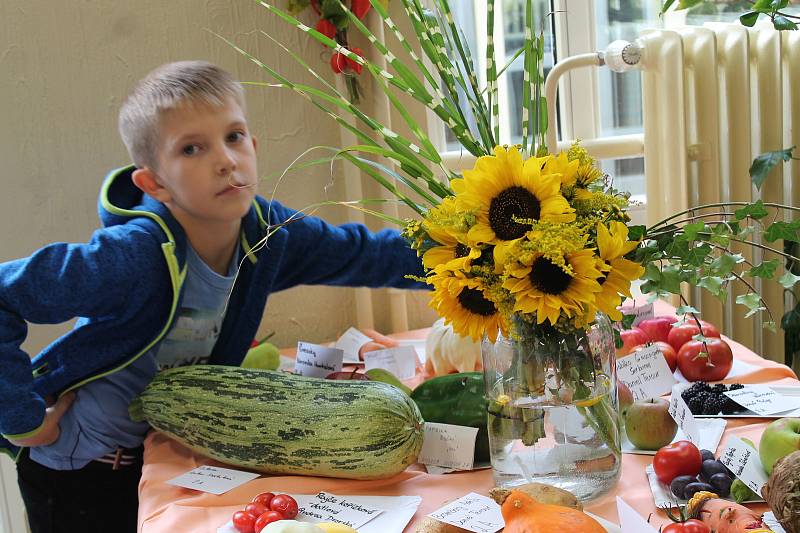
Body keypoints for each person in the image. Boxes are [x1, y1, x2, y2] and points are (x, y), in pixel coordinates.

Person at [0, 60, 426, 533]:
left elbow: (363, 254)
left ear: (254, 147)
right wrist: (21, 419)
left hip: (162, 456)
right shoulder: (132, 257)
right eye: (192, 148)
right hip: (82, 475)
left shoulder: (267, 233)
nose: (225, 160)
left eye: (235, 137)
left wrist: (464, 260)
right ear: (154, 183)